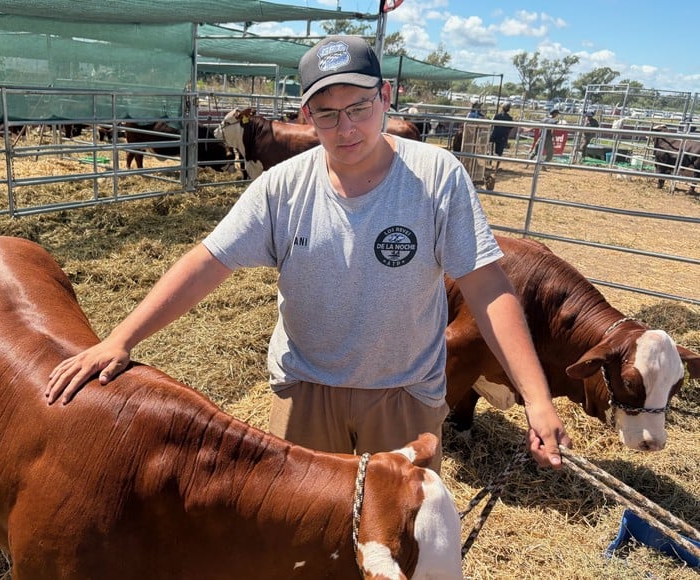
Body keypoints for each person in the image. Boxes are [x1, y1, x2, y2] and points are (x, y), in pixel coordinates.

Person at [46, 35, 571, 472]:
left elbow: (486, 284)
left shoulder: (437, 178)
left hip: (405, 394)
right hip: (304, 392)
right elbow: (208, 260)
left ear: (384, 97)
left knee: (399, 541)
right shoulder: (282, 187)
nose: (346, 128)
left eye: (359, 108)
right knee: (303, 547)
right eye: (327, 113)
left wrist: (538, 399)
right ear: (305, 115)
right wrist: (120, 338)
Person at [489, 102, 514, 167]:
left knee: (491, 149)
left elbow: (492, 124)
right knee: (499, 153)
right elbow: (510, 128)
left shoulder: (497, 116)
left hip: (495, 135)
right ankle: (496, 166)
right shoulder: (509, 118)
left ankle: (489, 162)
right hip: (503, 137)